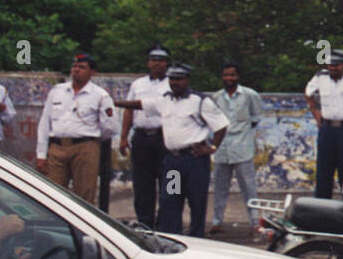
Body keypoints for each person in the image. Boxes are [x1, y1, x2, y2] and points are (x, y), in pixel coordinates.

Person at [116, 62, 228, 237]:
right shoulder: (164, 100)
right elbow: (139, 104)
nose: (175, 82)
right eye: (172, 79)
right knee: (171, 201)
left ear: (187, 80)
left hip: (193, 161)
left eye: (179, 79)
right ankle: (171, 237)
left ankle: (197, 238)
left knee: (196, 201)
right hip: (173, 163)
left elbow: (221, 125)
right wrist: (115, 102)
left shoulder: (199, 101)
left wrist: (212, 147)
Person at [35, 53, 119, 204]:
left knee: (84, 195)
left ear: (92, 72)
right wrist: (41, 154)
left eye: (82, 67)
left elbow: (110, 127)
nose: (76, 70)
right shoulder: (57, 91)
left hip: (85, 148)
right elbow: (44, 123)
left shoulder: (100, 95)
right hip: (57, 147)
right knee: (52, 195)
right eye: (74, 66)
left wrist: (92, 140)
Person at [304, 49, 343, 199]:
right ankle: (321, 206)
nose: (333, 68)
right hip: (326, 129)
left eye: (337, 65)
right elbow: (308, 93)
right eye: (330, 65)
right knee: (324, 169)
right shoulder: (320, 77)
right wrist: (314, 111)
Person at [209, 61, 264, 234]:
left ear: (238, 76)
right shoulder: (216, 97)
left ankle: (255, 222)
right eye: (226, 75)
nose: (229, 78)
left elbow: (255, 118)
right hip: (221, 148)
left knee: (248, 187)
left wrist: (242, 133)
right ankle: (217, 221)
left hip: (242, 148)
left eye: (232, 75)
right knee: (220, 187)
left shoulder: (249, 95)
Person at [119, 45, 171, 227]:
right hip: (141, 138)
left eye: (161, 60)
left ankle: (167, 223)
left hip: (165, 139)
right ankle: (145, 223)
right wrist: (123, 137)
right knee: (142, 184)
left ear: (167, 64)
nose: (157, 63)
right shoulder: (138, 84)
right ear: (148, 63)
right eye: (154, 60)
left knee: (170, 183)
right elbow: (128, 111)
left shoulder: (173, 83)